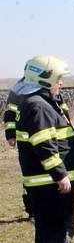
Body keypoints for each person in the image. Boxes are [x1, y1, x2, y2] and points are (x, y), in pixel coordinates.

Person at [15, 55, 74, 243]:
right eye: (59, 79)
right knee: (58, 228)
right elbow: (44, 144)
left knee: (45, 228)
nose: (61, 84)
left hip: (43, 183)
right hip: (49, 183)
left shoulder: (36, 102)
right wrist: (60, 174)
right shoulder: (39, 105)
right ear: (46, 79)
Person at [4, 78, 34, 219]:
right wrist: (10, 135)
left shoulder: (48, 86)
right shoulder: (18, 89)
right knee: (30, 175)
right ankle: (31, 209)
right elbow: (10, 113)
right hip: (25, 139)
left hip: (48, 137)